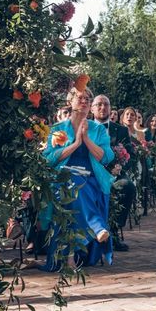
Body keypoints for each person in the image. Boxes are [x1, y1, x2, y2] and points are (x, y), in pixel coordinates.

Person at [41, 86, 114, 270]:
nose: (84, 101)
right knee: (72, 184)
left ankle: (69, 257)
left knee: (76, 188)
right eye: (80, 98)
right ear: (70, 102)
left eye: (87, 99)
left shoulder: (98, 130)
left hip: (91, 179)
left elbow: (106, 157)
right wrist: (75, 144)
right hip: (62, 178)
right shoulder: (58, 129)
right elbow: (49, 159)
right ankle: (97, 227)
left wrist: (87, 140)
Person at [91, 95, 137, 252]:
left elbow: (131, 155)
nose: (103, 107)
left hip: (114, 176)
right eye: (99, 104)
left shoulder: (121, 130)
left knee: (127, 186)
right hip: (90, 175)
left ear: (110, 108)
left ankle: (114, 231)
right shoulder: (85, 127)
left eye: (106, 104)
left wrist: (120, 166)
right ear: (92, 108)